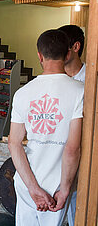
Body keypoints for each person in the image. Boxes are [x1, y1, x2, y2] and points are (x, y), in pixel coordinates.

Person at [8, 29, 84, 226]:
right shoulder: (80, 92)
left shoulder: (22, 93)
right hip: (57, 185)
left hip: (26, 182)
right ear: (68, 54)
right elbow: (72, 148)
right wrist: (65, 188)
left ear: (39, 55)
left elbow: (14, 143)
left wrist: (33, 188)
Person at [58, 24, 85, 226]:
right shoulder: (53, 81)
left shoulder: (91, 82)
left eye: (62, 47)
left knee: (78, 216)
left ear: (76, 47)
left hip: (83, 161)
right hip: (55, 162)